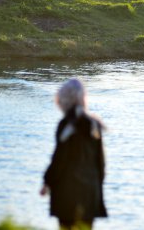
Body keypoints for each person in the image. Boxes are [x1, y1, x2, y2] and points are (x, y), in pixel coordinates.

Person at [42, 79, 107, 230]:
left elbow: (59, 160)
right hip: (90, 193)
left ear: (63, 99)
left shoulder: (65, 125)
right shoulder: (94, 125)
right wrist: (96, 188)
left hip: (67, 194)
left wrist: (47, 182)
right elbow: (101, 164)